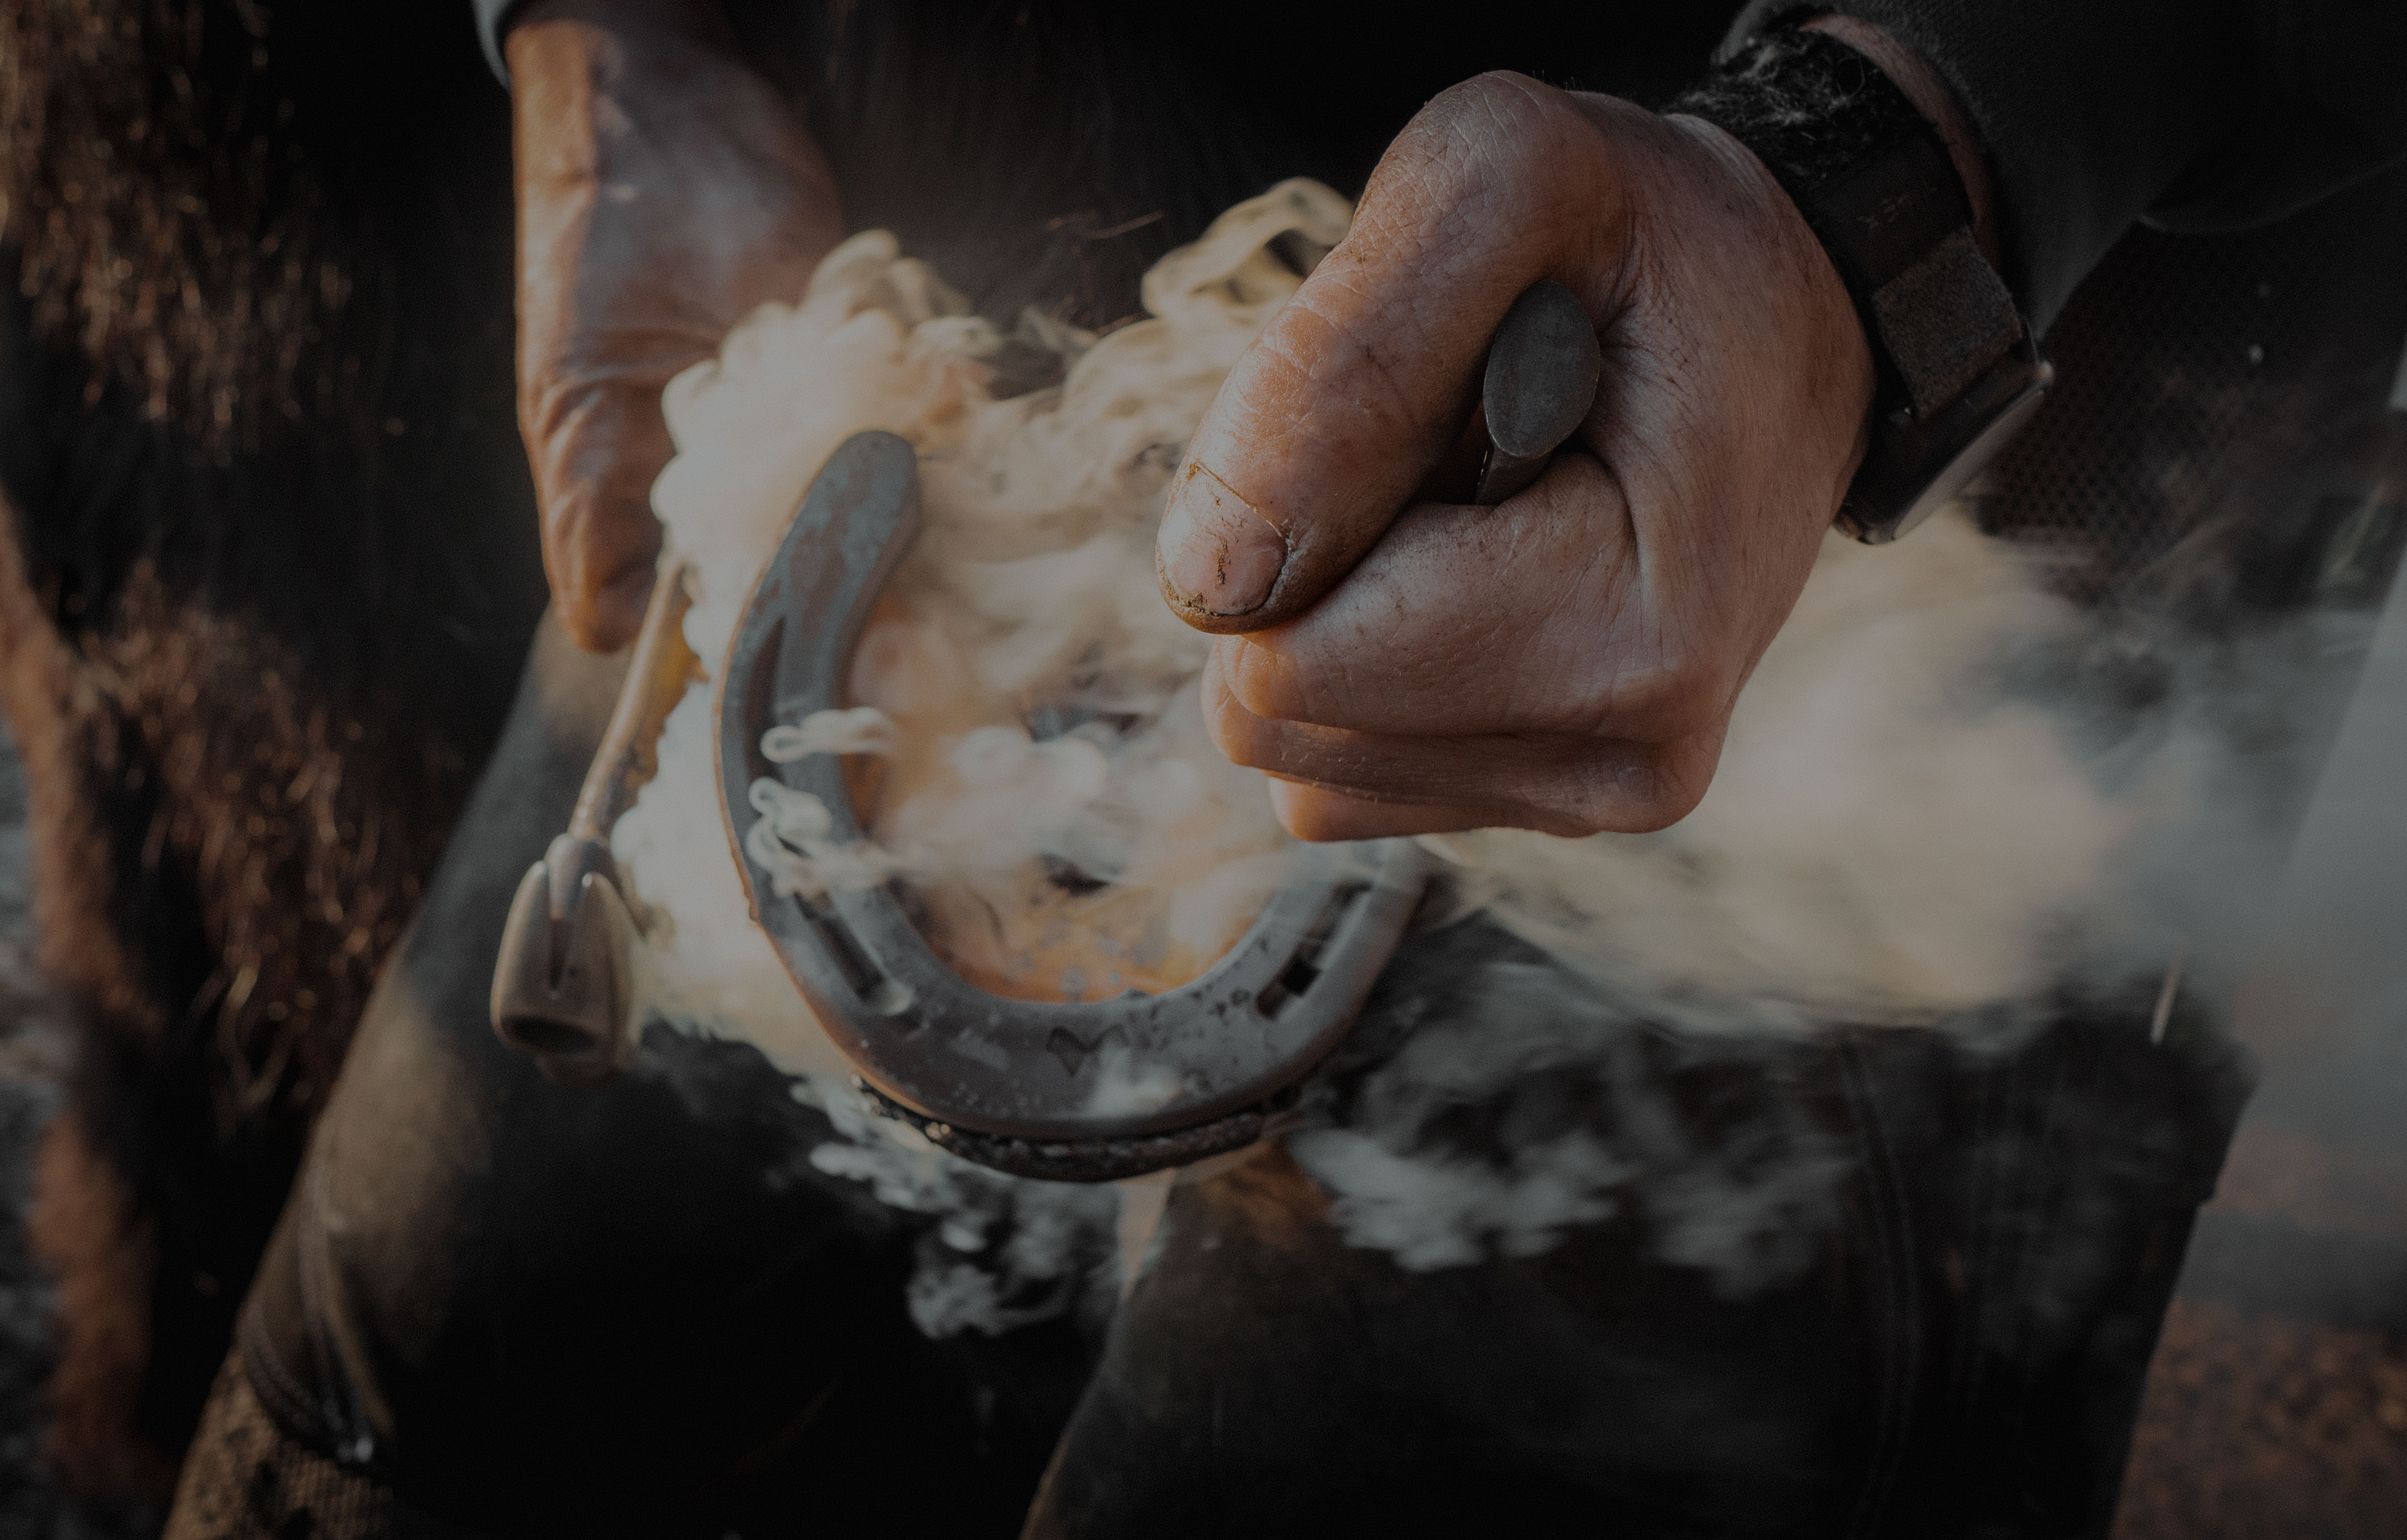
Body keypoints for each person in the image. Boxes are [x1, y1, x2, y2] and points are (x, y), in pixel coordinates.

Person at [107, 0, 2407, 1534]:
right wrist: (630, 34)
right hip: (929, 376)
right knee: (372, 1455)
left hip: (1814, 537)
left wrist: (1897, 167)